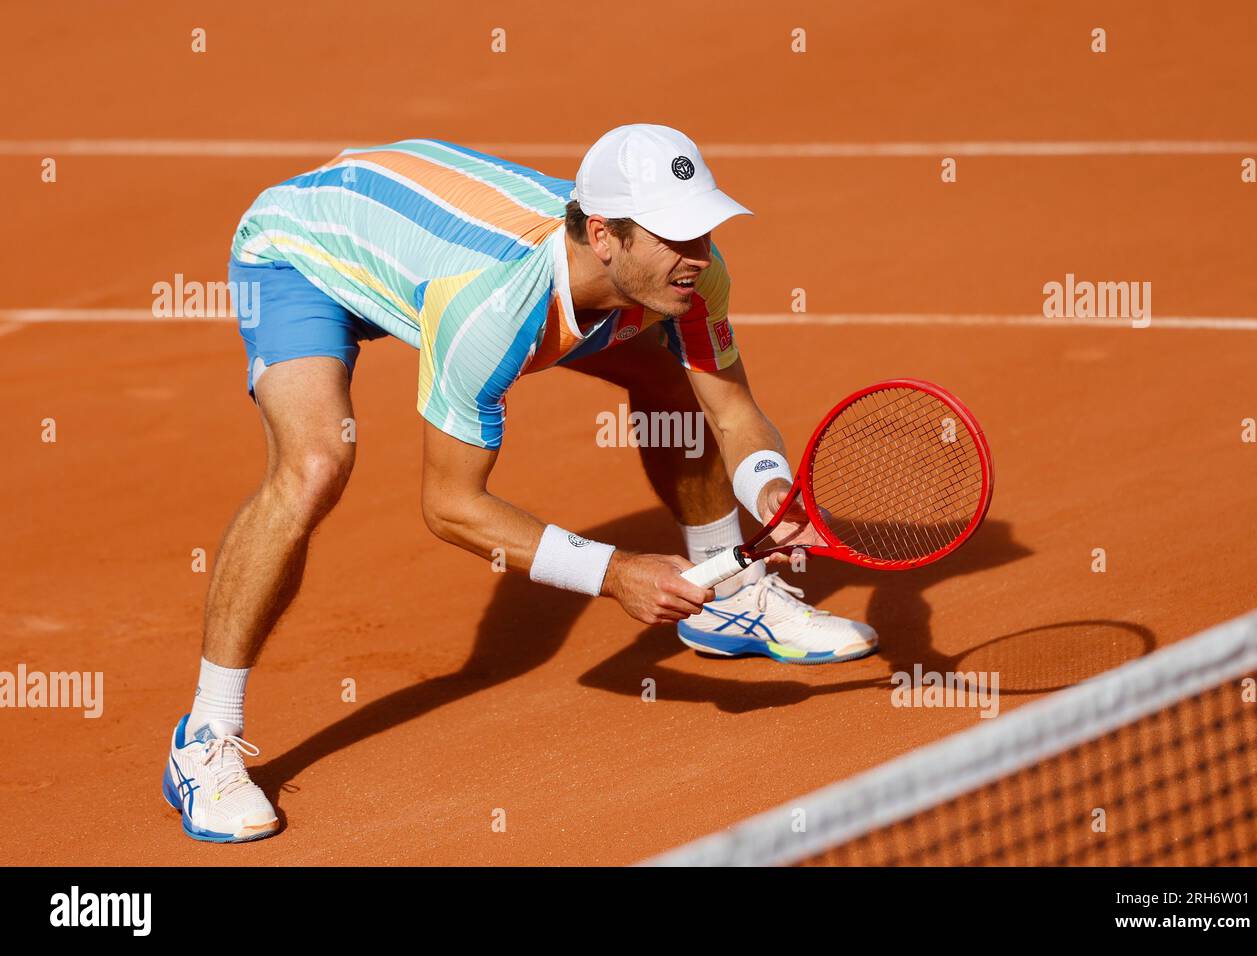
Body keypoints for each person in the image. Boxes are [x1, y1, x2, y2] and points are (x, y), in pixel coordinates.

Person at [162, 125, 878, 843]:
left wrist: (770, 493)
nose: (698, 257)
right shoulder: (493, 310)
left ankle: (728, 599)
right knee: (316, 466)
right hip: (301, 253)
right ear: (605, 236)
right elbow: (450, 507)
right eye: (674, 238)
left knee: (666, 369)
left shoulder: (687, 274)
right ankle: (206, 734)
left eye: (702, 231)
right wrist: (615, 573)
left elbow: (732, 409)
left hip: (421, 234)